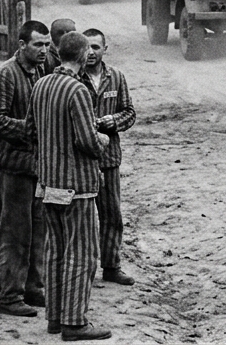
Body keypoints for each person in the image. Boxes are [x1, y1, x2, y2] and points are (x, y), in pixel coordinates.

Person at [30, 32, 111, 341]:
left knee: (55, 251)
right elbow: (87, 141)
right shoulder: (77, 90)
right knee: (82, 254)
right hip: (77, 187)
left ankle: (55, 317)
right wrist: (102, 139)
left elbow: (31, 130)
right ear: (81, 56)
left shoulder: (41, 84)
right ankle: (75, 323)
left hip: (47, 183)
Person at [0, 21, 52, 317]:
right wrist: (31, 129)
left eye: (47, 45)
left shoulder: (39, 70)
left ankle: (32, 288)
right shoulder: (6, 74)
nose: (44, 50)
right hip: (11, 165)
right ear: (22, 45)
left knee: (37, 229)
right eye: (38, 44)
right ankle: (9, 295)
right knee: (15, 233)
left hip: (33, 166)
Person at [81, 28, 137, 286]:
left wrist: (113, 121)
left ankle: (112, 266)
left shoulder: (116, 77)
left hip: (109, 158)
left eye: (96, 47)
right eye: (87, 47)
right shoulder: (74, 77)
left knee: (111, 214)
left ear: (105, 49)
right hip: (82, 158)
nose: (91, 52)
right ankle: (83, 269)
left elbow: (130, 112)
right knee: (81, 217)